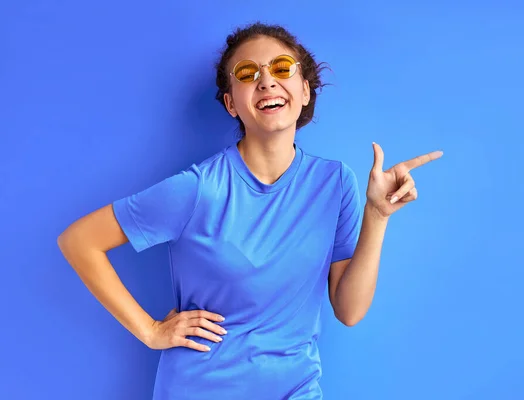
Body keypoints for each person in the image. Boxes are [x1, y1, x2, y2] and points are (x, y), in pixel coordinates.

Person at [57, 21, 442, 400]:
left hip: (296, 389)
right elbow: (79, 241)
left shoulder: (335, 182)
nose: (266, 81)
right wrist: (150, 330)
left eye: (281, 68)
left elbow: (349, 310)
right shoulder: (197, 188)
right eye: (247, 73)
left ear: (305, 90)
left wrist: (376, 215)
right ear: (231, 103)